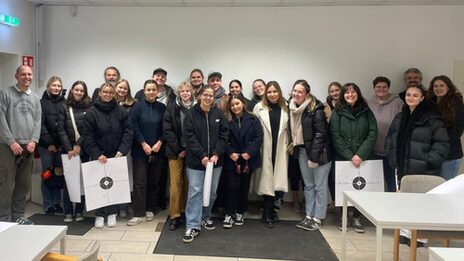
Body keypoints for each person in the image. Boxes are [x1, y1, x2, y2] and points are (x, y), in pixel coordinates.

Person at [385, 84, 449, 246]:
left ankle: (420, 236)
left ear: (422, 98)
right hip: (402, 166)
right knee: (404, 201)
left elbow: (442, 144)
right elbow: (390, 137)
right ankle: (405, 232)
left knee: (421, 204)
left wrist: (428, 160)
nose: (411, 98)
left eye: (415, 95)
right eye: (408, 95)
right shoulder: (401, 116)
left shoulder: (431, 118)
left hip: (423, 170)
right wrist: (391, 155)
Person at [82, 83, 133, 228]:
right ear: (100, 93)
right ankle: (99, 214)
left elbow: (128, 131)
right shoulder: (91, 112)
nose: (108, 94)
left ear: (114, 94)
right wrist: (97, 154)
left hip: (116, 154)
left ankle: (112, 213)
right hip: (98, 155)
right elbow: (88, 136)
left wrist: (122, 150)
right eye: (105, 92)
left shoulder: (121, 111)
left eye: (111, 92)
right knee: (98, 185)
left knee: (112, 184)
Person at [182, 85, 229, 243]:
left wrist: (216, 153)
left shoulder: (219, 114)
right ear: (200, 95)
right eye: (205, 95)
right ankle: (193, 225)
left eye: (211, 95)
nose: (208, 98)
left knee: (212, 191)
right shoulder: (191, 114)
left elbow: (224, 134)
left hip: (216, 162)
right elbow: (189, 136)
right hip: (196, 162)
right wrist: (202, 155)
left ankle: (205, 216)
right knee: (195, 192)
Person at [330, 83, 378, 233]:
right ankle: (343, 216)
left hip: (363, 157)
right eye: (347, 93)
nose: (350, 95)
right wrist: (350, 156)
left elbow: (372, 133)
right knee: (341, 187)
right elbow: (335, 136)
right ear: (343, 95)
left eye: (353, 93)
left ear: (358, 94)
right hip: (343, 157)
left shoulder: (366, 111)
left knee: (360, 187)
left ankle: (357, 217)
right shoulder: (337, 112)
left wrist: (360, 154)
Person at [288, 80, 333, 231]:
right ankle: (308, 215)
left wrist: (313, 157)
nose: (296, 94)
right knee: (308, 186)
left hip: (320, 154)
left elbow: (321, 134)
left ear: (307, 94)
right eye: (294, 91)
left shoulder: (316, 109)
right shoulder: (293, 108)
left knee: (320, 186)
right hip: (302, 151)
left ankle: (317, 218)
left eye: (300, 92)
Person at [0, 65, 41, 224]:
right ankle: (3, 219)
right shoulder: (5, 94)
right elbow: (1, 120)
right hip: (7, 147)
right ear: (16, 75)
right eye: (23, 74)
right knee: (5, 184)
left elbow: (38, 121)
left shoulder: (36, 98)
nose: (27, 77)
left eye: (29, 74)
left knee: (23, 185)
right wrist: (11, 142)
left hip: (28, 147)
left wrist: (34, 141)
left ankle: (18, 216)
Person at [127, 80, 166, 226]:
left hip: (158, 150)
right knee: (140, 182)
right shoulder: (137, 108)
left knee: (154, 182)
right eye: (148, 90)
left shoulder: (162, 108)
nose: (151, 92)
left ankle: (150, 209)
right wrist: (143, 143)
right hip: (140, 150)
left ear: (158, 91)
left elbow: (166, 127)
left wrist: (159, 143)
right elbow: (133, 127)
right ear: (144, 91)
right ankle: (139, 213)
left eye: (153, 90)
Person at [222, 95, 263, 228]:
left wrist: (249, 153)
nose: (235, 107)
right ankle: (229, 213)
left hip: (247, 160)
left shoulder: (253, 119)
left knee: (244, 187)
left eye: (237, 104)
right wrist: (230, 152)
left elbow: (258, 137)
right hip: (231, 159)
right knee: (231, 186)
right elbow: (222, 138)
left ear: (243, 104)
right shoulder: (226, 120)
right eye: (232, 105)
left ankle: (240, 212)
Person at [253, 81, 289, 229]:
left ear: (279, 92)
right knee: (267, 180)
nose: (272, 94)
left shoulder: (286, 108)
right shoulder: (259, 108)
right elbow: (253, 129)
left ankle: (272, 210)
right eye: (269, 92)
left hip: (281, 148)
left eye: (275, 92)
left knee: (277, 180)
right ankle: (267, 212)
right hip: (265, 147)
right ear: (265, 94)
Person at [57, 80, 92, 222]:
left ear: (85, 93)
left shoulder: (90, 107)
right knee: (68, 181)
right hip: (68, 151)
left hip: (83, 150)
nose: (79, 92)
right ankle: (68, 212)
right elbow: (60, 129)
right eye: (76, 90)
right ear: (72, 90)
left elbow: (89, 129)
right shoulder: (64, 106)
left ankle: (79, 211)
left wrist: (79, 146)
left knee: (81, 181)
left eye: (81, 91)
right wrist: (69, 148)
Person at [163, 82, 196, 230]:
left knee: (190, 184)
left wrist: (188, 150)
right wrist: (179, 149)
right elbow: (167, 130)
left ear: (192, 92)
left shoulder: (198, 108)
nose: (185, 93)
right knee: (175, 184)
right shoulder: (172, 107)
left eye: (187, 91)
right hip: (174, 152)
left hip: (192, 153)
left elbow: (199, 131)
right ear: (179, 93)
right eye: (182, 91)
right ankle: (175, 215)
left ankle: (186, 212)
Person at [367, 76, 403, 192]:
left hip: (391, 151)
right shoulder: (369, 103)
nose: (381, 89)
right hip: (373, 151)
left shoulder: (398, 103)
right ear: (374, 88)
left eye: (384, 87)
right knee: (375, 182)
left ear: (388, 88)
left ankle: (392, 207)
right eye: (378, 87)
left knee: (391, 181)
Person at [427, 75, 463, 180]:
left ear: (448, 87)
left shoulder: (457, 104)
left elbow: (457, 132)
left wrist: (439, 144)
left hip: (450, 154)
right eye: (435, 86)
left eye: (442, 85)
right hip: (433, 153)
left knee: (445, 186)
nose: (438, 88)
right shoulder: (430, 103)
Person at [38, 76, 66, 215]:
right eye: (54, 85)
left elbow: (65, 125)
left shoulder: (65, 103)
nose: (56, 88)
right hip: (46, 146)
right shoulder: (41, 103)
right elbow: (40, 125)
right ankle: (48, 204)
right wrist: (49, 143)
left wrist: (62, 144)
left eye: (59, 86)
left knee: (58, 174)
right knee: (47, 174)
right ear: (48, 86)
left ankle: (57, 203)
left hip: (61, 146)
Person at [114, 78, 136, 218]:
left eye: (125, 88)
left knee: (125, 177)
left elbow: (131, 127)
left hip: (126, 146)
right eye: (120, 87)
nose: (122, 90)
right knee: (111, 177)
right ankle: (111, 206)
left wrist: (123, 147)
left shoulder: (133, 105)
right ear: (115, 88)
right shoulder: (108, 102)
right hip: (110, 146)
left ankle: (123, 206)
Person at [323, 81, 341, 205]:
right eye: (332, 91)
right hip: (330, 145)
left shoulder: (347, 105)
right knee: (331, 177)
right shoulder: (325, 106)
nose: (334, 93)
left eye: (337, 90)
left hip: (343, 146)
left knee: (343, 176)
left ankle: (345, 204)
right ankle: (335, 201)